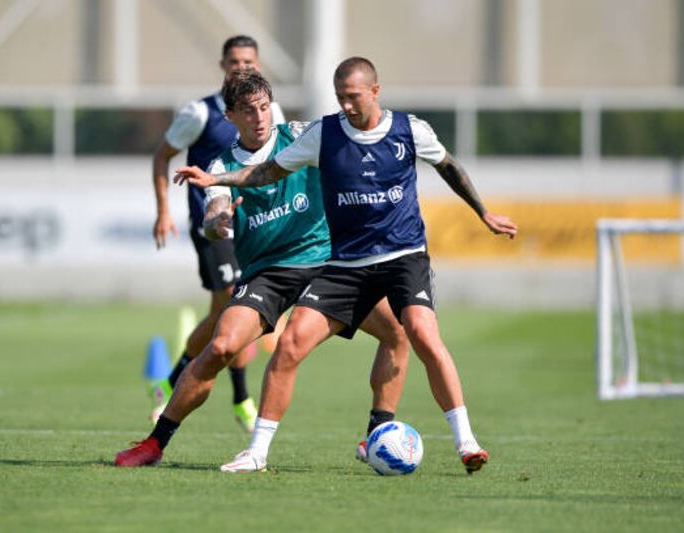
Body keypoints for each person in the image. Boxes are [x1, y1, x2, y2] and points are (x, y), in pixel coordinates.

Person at [174, 57, 519, 474]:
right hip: (345, 264)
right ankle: (255, 452)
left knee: (420, 334)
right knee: (287, 344)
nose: (346, 106)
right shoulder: (324, 133)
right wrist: (218, 188)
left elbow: (448, 166)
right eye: (340, 98)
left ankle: (464, 442)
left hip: (402, 257)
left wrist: (482, 213)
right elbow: (265, 173)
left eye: (353, 97)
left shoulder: (410, 130)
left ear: (375, 91)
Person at [115, 70, 410, 468]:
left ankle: (377, 433)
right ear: (230, 117)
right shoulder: (220, 165)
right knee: (220, 347)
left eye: (264, 107)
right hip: (267, 273)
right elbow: (215, 211)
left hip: (327, 264)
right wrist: (217, 223)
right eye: (249, 111)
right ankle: (154, 444)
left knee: (398, 331)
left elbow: (357, 133)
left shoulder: (303, 136)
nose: (260, 117)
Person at [149, 35, 285, 431]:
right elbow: (162, 156)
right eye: (235, 62)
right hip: (214, 226)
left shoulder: (270, 110)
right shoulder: (201, 112)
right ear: (223, 65)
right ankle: (240, 397)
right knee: (234, 306)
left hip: (255, 227)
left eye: (249, 62)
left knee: (222, 314)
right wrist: (163, 211)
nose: (242, 68)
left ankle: (171, 383)